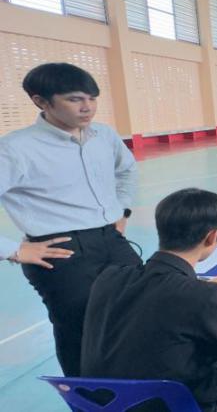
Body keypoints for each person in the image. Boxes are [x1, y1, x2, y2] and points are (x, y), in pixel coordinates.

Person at [81, 189, 217, 411]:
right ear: (212, 236)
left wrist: (202, 287)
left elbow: (156, 299)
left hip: (106, 404)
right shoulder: (200, 296)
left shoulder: (109, 277)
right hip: (171, 404)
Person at [0, 63, 139, 377]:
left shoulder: (103, 135)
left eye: (92, 98)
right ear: (41, 101)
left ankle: (136, 387)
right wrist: (14, 250)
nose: (87, 107)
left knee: (139, 308)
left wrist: (122, 210)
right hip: (61, 250)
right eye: (75, 99)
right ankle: (87, 396)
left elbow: (127, 170)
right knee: (80, 329)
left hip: (111, 239)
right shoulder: (16, 149)